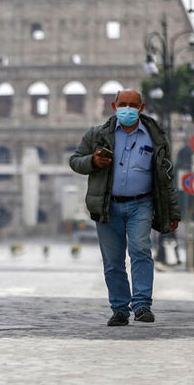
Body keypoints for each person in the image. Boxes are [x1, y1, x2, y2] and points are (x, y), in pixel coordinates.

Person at [69, 89, 180, 326]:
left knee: (140, 249)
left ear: (141, 108)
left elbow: (166, 177)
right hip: (107, 205)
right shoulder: (97, 135)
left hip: (141, 202)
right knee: (113, 260)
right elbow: (75, 161)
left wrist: (173, 211)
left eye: (132, 105)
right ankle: (120, 309)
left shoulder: (155, 137)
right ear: (114, 106)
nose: (127, 109)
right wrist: (93, 161)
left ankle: (141, 305)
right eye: (123, 104)